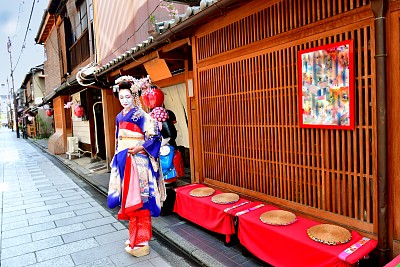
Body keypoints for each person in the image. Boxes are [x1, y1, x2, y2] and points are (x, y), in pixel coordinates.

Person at [107, 75, 165, 257]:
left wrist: (140, 147)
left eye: (128, 97)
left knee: (142, 200)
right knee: (129, 199)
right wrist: (116, 158)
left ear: (134, 97)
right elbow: (118, 139)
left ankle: (143, 239)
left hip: (139, 162)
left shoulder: (141, 115)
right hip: (124, 159)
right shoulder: (118, 116)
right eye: (121, 97)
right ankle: (134, 235)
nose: (124, 101)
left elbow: (155, 137)